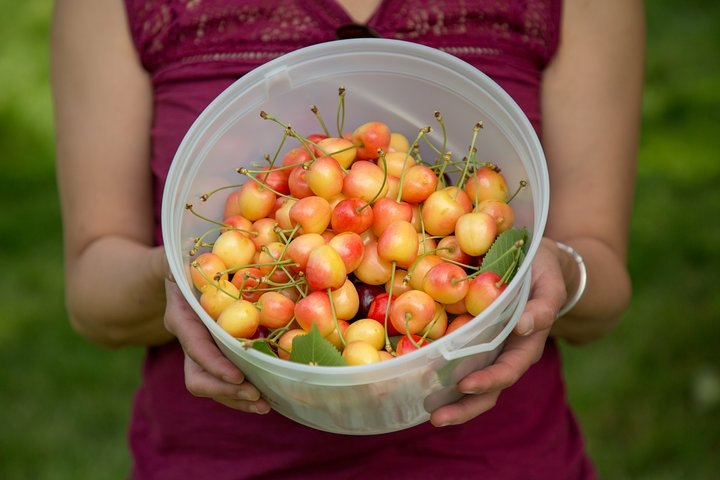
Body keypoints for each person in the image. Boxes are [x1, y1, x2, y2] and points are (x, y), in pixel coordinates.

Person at [50, 0, 644, 478]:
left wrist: (555, 267)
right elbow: (93, 299)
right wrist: (178, 277)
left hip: (493, 462)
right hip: (224, 461)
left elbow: (604, 286)